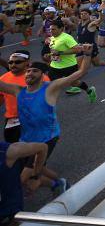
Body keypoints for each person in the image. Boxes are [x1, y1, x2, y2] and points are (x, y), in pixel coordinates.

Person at [0, 45, 94, 198]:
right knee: (35, 168)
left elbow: (80, 72)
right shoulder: (18, 90)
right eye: (29, 71)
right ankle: (57, 183)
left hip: (47, 137)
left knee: (23, 177)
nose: (30, 73)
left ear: (43, 75)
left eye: (35, 71)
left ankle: (11, 208)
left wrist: (88, 54)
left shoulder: (50, 88)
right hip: (26, 139)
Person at [1, 51, 50, 143]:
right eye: (10, 62)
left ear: (28, 63)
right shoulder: (3, 79)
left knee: (34, 149)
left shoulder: (41, 78)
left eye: (18, 62)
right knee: (13, 150)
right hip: (12, 121)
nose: (13, 65)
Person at [44, 19, 97, 103]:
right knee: (51, 85)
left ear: (61, 29)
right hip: (54, 66)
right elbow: (54, 50)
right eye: (50, 29)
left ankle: (89, 91)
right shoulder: (52, 37)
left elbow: (77, 50)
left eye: (53, 29)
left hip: (69, 66)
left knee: (74, 83)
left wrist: (60, 53)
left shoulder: (66, 38)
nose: (51, 31)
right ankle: (48, 104)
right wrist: (49, 55)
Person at [1, 141, 49, 224]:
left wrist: (34, 177)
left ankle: (57, 184)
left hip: (10, 210)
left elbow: (42, 148)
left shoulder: (9, 151)